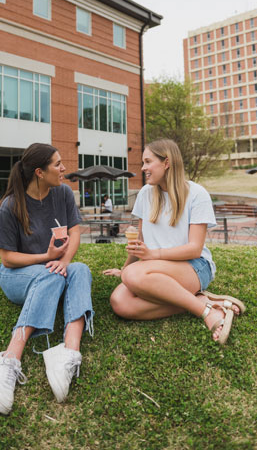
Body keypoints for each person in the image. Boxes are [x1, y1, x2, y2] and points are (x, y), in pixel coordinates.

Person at [0, 143, 94, 415]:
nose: (63, 168)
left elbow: (75, 232)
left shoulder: (63, 193)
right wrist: (46, 257)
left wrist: (64, 261)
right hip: (17, 276)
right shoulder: (11, 205)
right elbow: (7, 258)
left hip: (51, 270)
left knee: (81, 270)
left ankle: (67, 352)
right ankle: (8, 359)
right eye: (57, 164)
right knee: (52, 275)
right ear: (39, 173)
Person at [103, 139, 245, 345]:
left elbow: (195, 249)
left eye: (148, 162)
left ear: (166, 162)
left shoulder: (197, 194)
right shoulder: (145, 194)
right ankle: (201, 300)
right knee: (120, 302)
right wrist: (123, 269)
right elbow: (140, 241)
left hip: (194, 267)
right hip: (152, 268)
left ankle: (207, 313)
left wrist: (152, 256)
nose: (143, 168)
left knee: (133, 274)